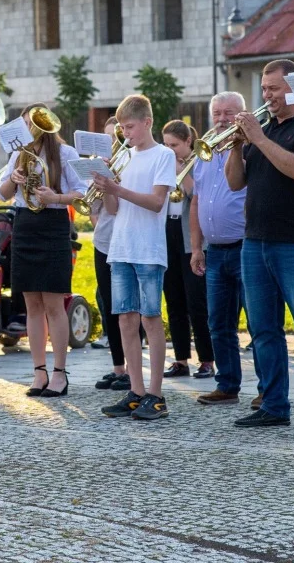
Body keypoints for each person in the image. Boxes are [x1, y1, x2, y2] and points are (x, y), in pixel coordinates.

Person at [225, 59, 294, 437]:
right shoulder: (264, 129)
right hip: (255, 242)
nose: (267, 95)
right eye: (265, 88)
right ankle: (274, 405)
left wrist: (257, 138)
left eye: (274, 88)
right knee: (263, 330)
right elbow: (235, 183)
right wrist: (237, 146)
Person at [95, 94, 177, 420]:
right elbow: (114, 210)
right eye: (123, 128)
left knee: (150, 319)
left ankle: (156, 395)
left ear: (147, 122)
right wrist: (105, 188)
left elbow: (157, 202)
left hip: (148, 248)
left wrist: (118, 190)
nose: (125, 133)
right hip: (121, 246)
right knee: (125, 319)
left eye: (130, 127)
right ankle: (136, 390)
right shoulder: (123, 157)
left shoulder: (164, 155)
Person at [0, 103, 86, 399]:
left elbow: (83, 194)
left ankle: (59, 373)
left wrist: (55, 196)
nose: (28, 129)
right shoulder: (18, 154)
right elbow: (3, 193)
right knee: (31, 303)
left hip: (53, 225)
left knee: (53, 303)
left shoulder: (66, 154)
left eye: (31, 123)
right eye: (25, 124)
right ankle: (39, 371)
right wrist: (15, 176)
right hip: (24, 225)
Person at [191, 92, 262, 408]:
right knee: (218, 323)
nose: (221, 118)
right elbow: (196, 201)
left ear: (243, 114)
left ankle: (267, 390)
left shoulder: (252, 147)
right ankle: (227, 384)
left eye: (229, 112)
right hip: (215, 251)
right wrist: (196, 247)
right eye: (216, 113)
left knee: (258, 321)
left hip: (247, 245)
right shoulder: (203, 152)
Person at [160, 120, 214, 379]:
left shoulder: (198, 161)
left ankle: (207, 360)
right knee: (174, 300)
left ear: (187, 143)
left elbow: (198, 196)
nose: (170, 150)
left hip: (190, 235)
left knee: (197, 302)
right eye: (166, 145)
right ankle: (180, 359)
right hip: (166, 234)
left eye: (175, 145)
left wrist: (181, 172)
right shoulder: (163, 163)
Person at [91, 117, 132, 392]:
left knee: (126, 309)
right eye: (107, 139)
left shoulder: (130, 162)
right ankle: (118, 368)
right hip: (103, 240)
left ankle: (132, 369)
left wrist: (110, 184)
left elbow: (116, 207)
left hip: (127, 242)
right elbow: (94, 210)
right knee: (107, 305)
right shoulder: (102, 163)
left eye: (116, 138)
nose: (113, 145)